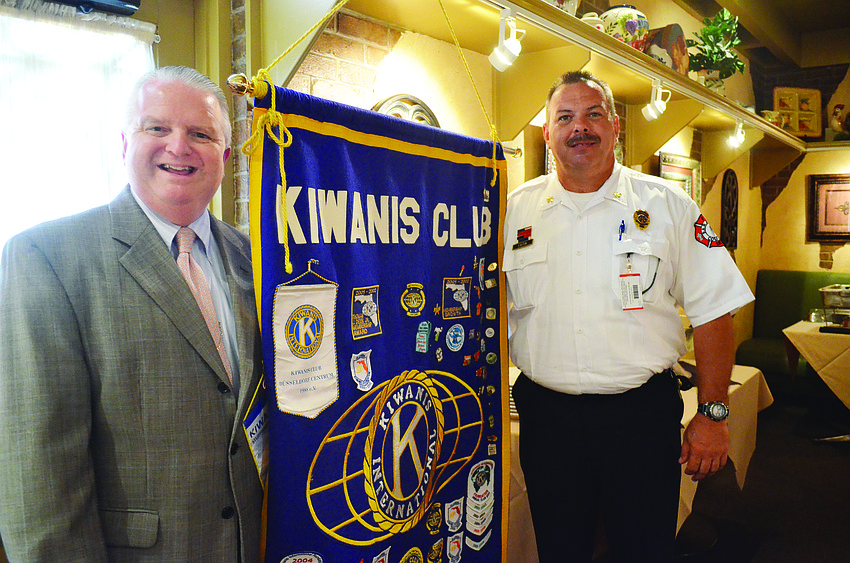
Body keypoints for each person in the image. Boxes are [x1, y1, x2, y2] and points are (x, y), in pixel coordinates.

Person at [0, 66, 265, 562]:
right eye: (157, 127)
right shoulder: (47, 257)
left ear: (226, 157)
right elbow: (37, 473)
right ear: (124, 144)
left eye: (201, 134)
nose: (179, 146)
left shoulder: (259, 260)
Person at [503, 70, 754, 563]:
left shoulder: (669, 206)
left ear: (615, 127)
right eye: (565, 117)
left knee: (644, 549)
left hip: (639, 419)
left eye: (593, 114)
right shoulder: (514, 211)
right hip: (547, 420)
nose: (580, 127)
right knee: (559, 548)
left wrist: (713, 413)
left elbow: (714, 310)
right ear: (548, 133)